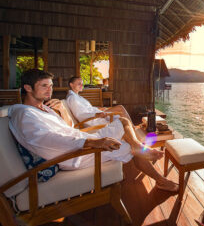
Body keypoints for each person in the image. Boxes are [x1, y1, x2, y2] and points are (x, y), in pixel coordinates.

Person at [8, 69, 178, 192]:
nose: (49, 90)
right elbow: (48, 139)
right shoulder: (24, 115)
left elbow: (66, 128)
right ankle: (159, 178)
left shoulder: (42, 109)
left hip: (81, 140)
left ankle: (136, 145)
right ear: (28, 88)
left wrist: (59, 109)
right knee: (126, 143)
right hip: (73, 155)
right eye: (44, 86)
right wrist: (93, 141)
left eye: (51, 86)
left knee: (124, 121)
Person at [66, 76, 131, 127]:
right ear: (71, 85)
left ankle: (132, 128)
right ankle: (133, 128)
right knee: (120, 109)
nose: (81, 85)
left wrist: (99, 108)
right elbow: (80, 115)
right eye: (79, 84)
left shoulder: (77, 96)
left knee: (120, 110)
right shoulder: (72, 98)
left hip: (96, 114)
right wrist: (96, 114)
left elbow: (88, 108)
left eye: (82, 84)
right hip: (93, 119)